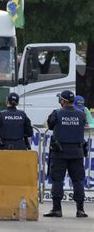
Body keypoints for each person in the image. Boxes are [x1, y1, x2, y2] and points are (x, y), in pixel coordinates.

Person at [43, 90, 88, 218]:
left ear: (63, 101)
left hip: (60, 152)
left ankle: (57, 209)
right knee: (78, 180)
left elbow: (50, 126)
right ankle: (80, 210)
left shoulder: (57, 113)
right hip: (77, 152)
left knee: (57, 180)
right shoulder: (81, 114)